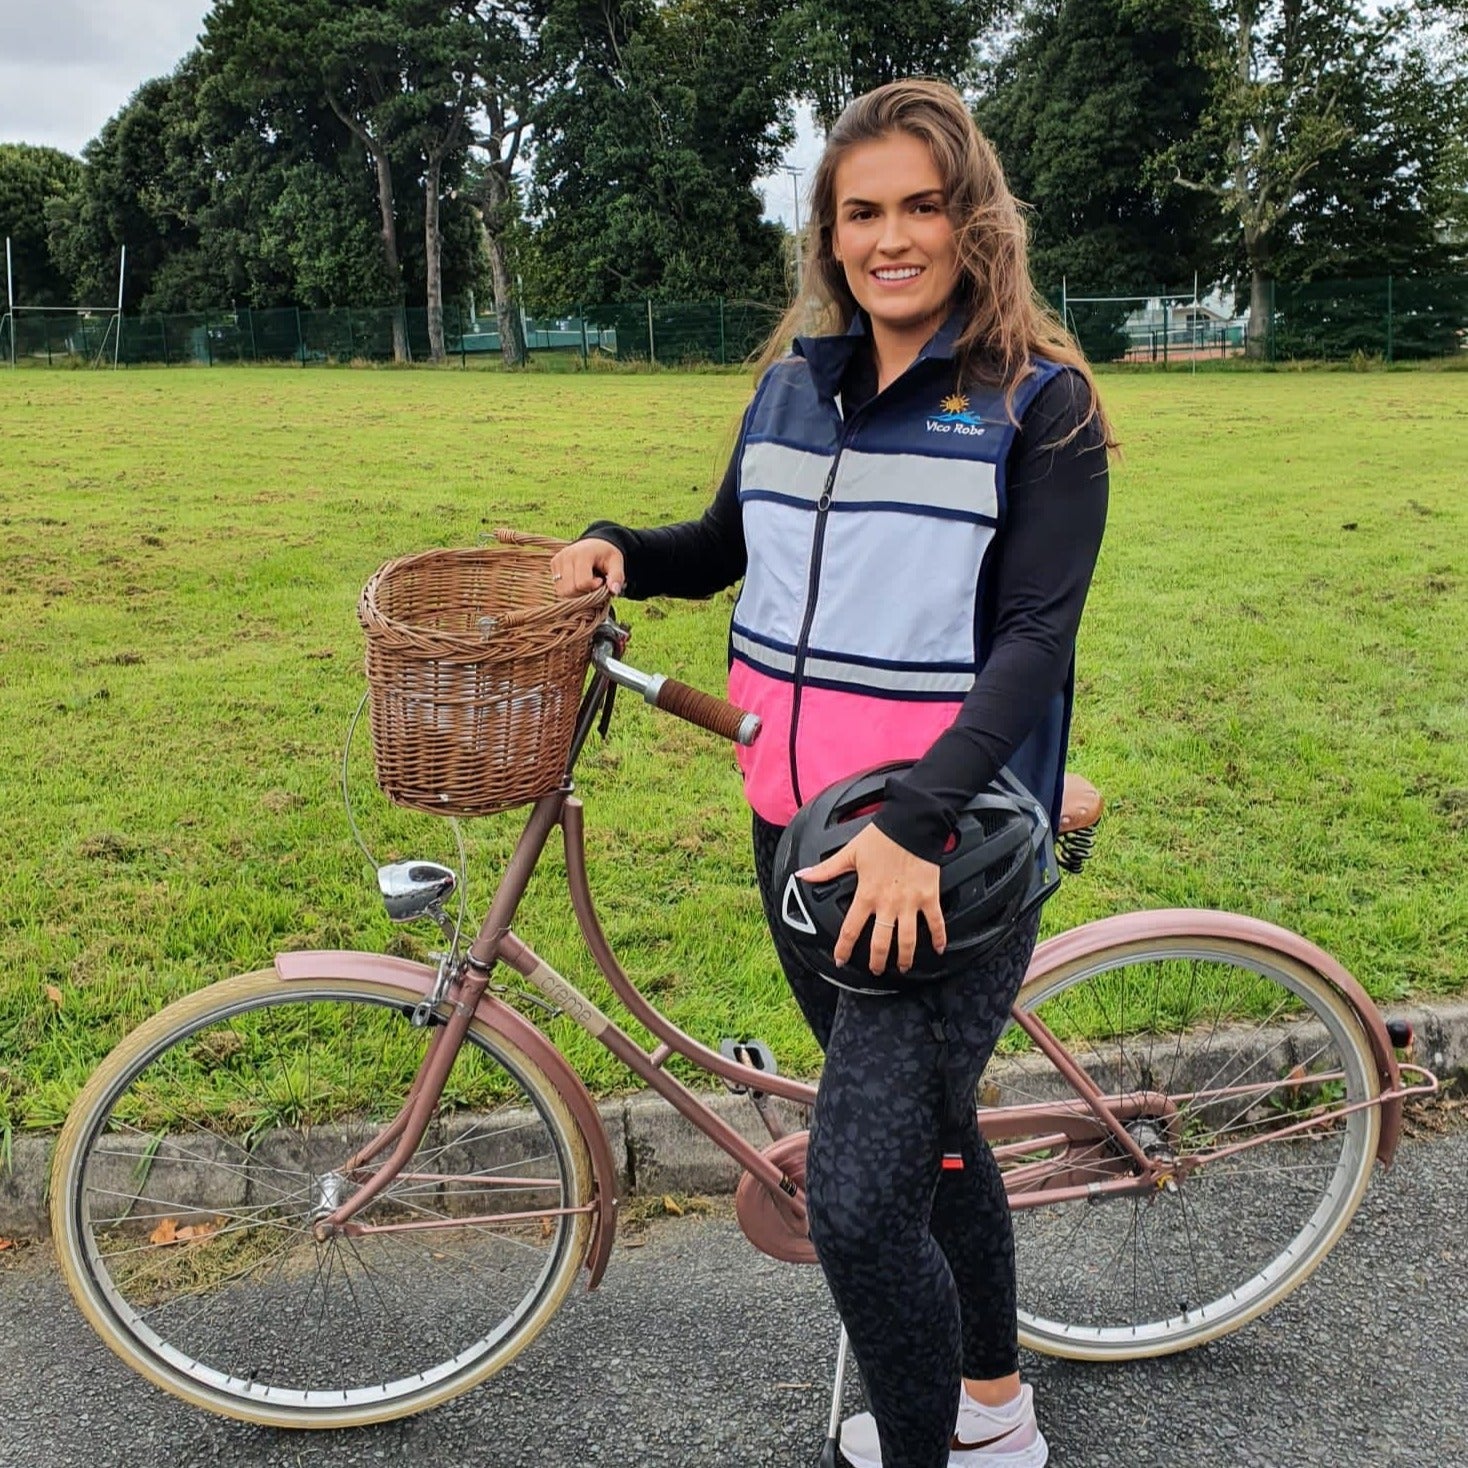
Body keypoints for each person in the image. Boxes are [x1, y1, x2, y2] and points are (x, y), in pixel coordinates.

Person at [551, 78, 1111, 1468]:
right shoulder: (793, 387)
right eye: (862, 213)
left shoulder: (1040, 406)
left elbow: (1037, 642)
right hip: (793, 833)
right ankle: (996, 1408)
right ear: (830, 232)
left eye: (923, 206)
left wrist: (917, 825)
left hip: (938, 854)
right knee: (933, 1140)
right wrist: (620, 546)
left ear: (974, 220)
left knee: (860, 1209)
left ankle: (935, 1447)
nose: (891, 238)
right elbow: (724, 548)